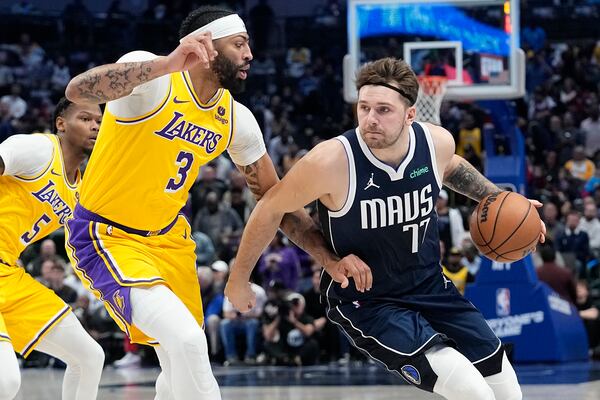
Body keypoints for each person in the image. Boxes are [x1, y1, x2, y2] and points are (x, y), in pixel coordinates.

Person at [64, 6, 370, 400]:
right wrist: (166, 64)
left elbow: (276, 201)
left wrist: (328, 258)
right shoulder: (152, 77)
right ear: (206, 45)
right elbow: (78, 91)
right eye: (239, 44)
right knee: (187, 340)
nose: (249, 55)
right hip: (108, 235)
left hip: (170, 242)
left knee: (179, 367)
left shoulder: (235, 119)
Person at [226, 57, 546, 400]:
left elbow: (451, 168)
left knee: (508, 390)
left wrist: (502, 199)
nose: (370, 119)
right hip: (370, 302)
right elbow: (273, 209)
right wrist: (242, 277)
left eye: (383, 110)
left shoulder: (435, 143)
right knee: (471, 390)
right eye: (364, 108)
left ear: (410, 114)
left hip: (430, 286)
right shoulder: (331, 161)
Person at [0, 97, 104, 400]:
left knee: (89, 357)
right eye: (85, 119)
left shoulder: (81, 190)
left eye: (98, 121)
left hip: (9, 272)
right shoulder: (39, 150)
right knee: (6, 382)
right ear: (61, 123)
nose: (95, 126)